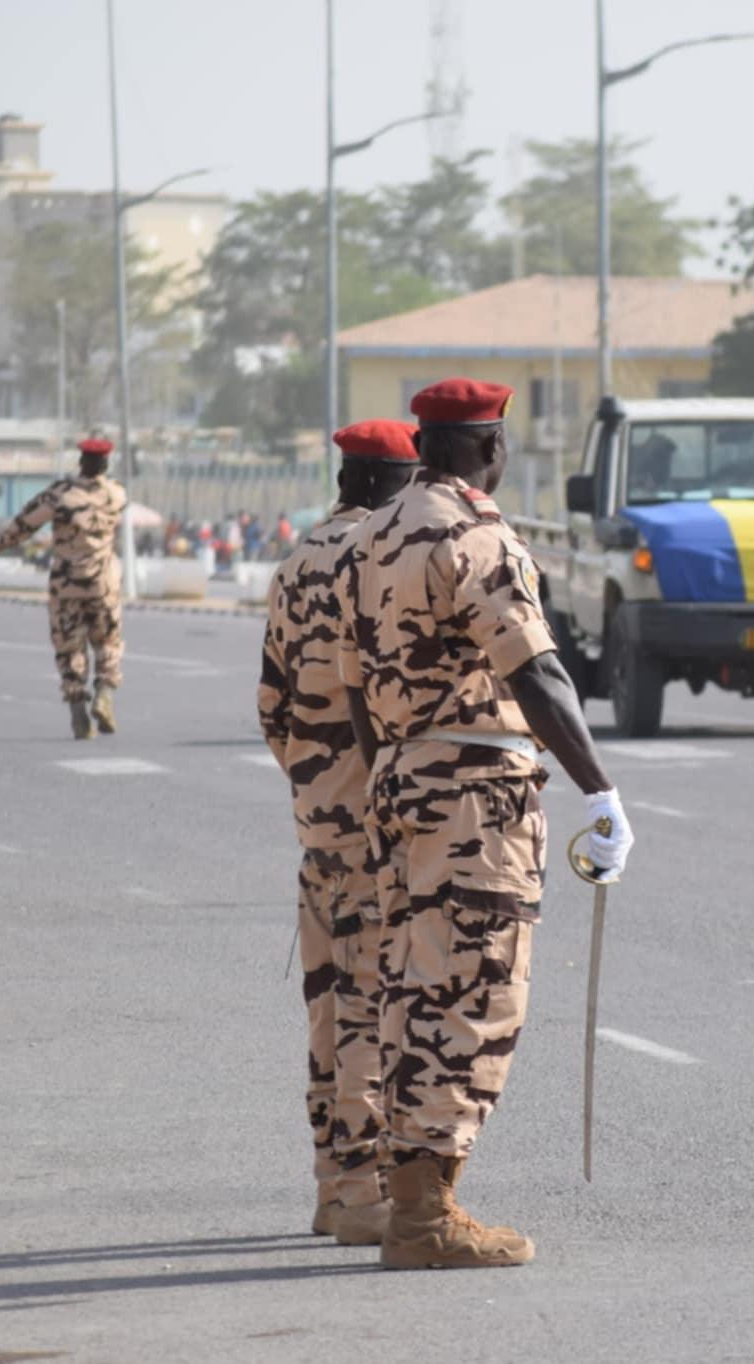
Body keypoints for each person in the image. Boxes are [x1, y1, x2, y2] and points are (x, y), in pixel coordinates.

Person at [338, 377, 634, 1270]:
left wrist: (391, 775)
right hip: (474, 796)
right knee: (471, 994)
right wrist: (601, 791)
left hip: (400, 779)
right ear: (486, 446)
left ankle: (417, 1202)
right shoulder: (474, 534)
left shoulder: (375, 534)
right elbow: (538, 674)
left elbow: (356, 690)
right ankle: (425, 1220)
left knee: (410, 988)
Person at [259, 419, 420, 1245]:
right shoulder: (384, 561)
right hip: (381, 826)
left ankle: (333, 1184)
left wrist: (316, 786)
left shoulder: (296, 563)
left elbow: (271, 706)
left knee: (329, 1005)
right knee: (373, 1005)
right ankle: (363, 1191)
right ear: (400, 481)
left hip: (319, 820)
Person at [0, 435, 128, 739]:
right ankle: (104, 695)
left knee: (69, 647)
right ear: (106, 464)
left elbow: (25, 523)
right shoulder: (117, 495)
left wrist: (1, 544)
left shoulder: (60, 495)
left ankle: (78, 712)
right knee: (107, 643)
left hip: (66, 585)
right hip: (104, 584)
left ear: (81, 462)